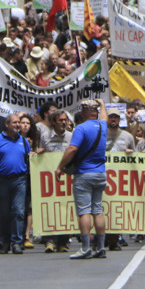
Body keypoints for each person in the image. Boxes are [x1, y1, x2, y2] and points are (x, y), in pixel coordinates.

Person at [56, 98, 109, 259]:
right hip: (100, 173)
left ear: (84, 112)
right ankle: (100, 247)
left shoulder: (80, 129)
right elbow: (105, 117)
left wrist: (60, 166)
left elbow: (72, 148)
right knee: (97, 210)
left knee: (84, 211)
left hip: (84, 173)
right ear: (96, 112)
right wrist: (103, 104)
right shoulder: (102, 126)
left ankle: (85, 247)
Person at [0, 113, 31, 254]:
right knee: (4, 212)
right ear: (7, 124)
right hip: (2, 180)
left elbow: (29, 159)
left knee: (18, 211)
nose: (18, 125)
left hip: (20, 180)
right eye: (15, 122)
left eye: (19, 122)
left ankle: (17, 242)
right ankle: (4, 241)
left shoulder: (24, 141)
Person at [42, 110, 74, 253]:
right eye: (60, 120)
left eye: (65, 120)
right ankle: (50, 240)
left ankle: (63, 242)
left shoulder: (71, 136)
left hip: (66, 177)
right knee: (50, 208)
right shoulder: (45, 136)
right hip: (49, 177)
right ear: (54, 122)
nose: (63, 123)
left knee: (65, 208)